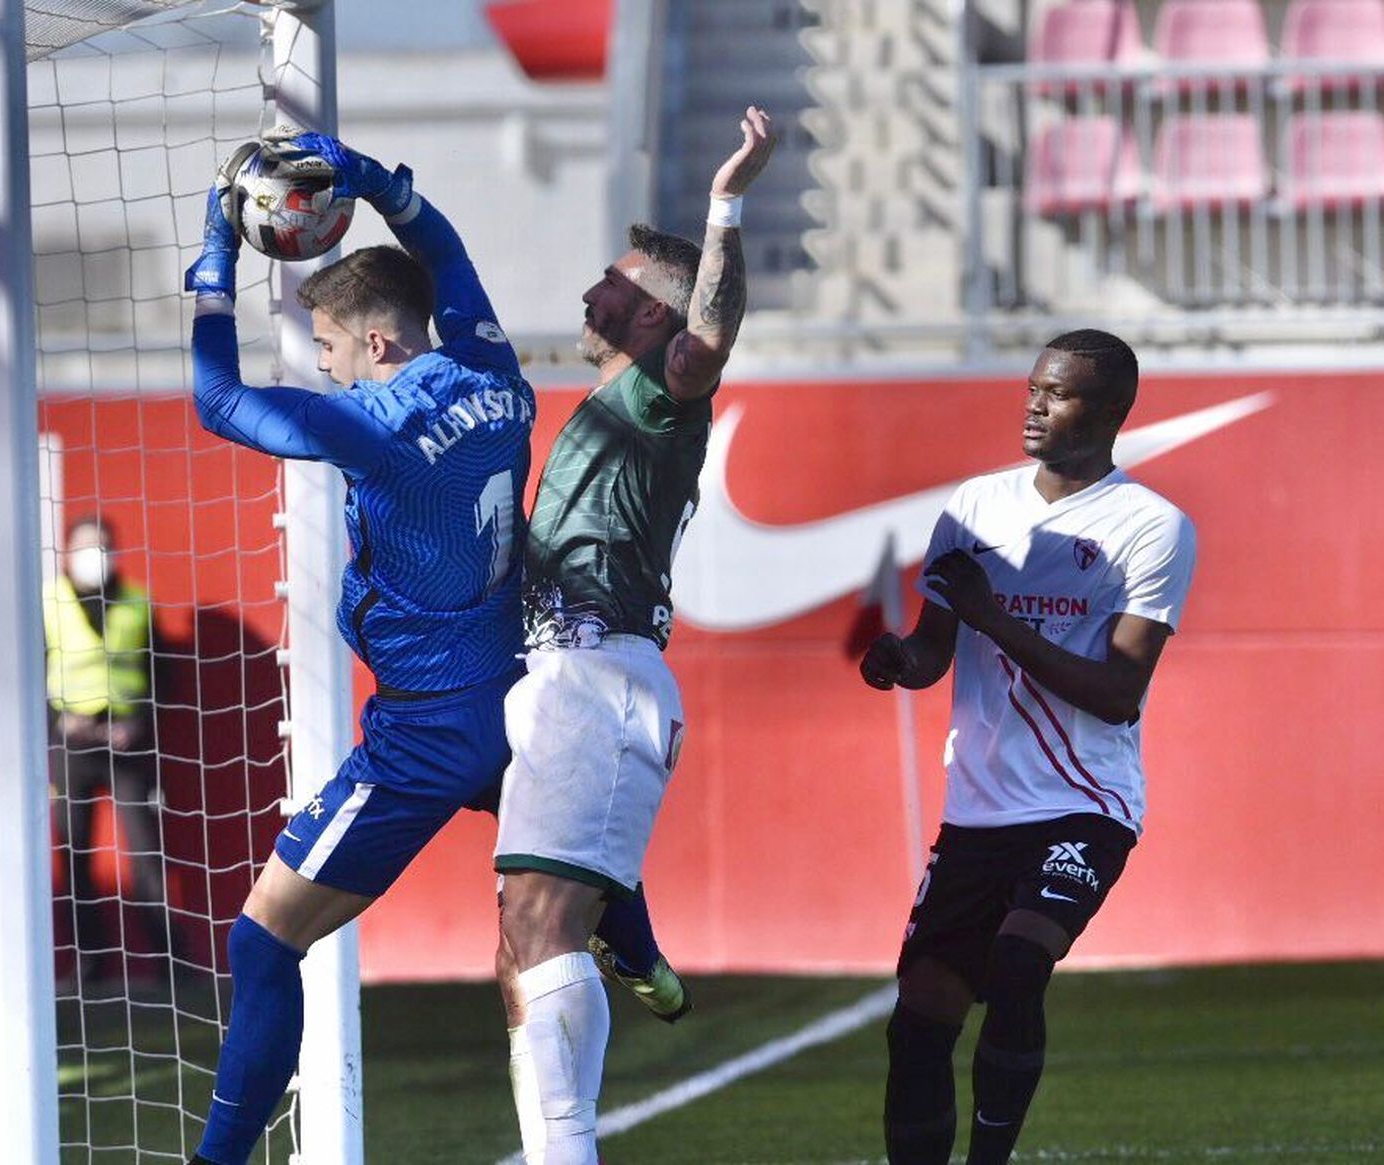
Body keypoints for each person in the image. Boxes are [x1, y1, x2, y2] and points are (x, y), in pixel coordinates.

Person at [182, 131, 681, 1165]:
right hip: (515, 686)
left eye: (328, 348)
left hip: (425, 725)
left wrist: (215, 260)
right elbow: (445, 257)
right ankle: (635, 939)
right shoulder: (497, 371)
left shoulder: (374, 428)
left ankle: (216, 1161)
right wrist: (376, 185)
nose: (324, 367)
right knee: (539, 821)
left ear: (377, 344)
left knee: (263, 938)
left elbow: (217, 402)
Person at [492, 105, 777, 1162]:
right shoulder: (605, 405)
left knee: (538, 930)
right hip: (562, 675)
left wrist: (724, 204)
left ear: (652, 312)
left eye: (609, 283)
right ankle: (628, 928)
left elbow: (711, 338)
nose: (587, 293)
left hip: (597, 676)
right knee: (520, 939)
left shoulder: (661, 395)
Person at [860, 329, 1197, 1164]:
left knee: (1017, 963)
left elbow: (1118, 694)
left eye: (1059, 393)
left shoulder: (1152, 527)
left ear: (1112, 410)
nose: (1035, 406)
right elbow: (935, 647)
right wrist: (900, 659)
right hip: (978, 810)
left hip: (1085, 802)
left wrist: (994, 616)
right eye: (1033, 389)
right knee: (919, 1021)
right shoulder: (975, 506)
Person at [45, 515, 176, 987]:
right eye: (85, 547)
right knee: (74, 854)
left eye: (102, 547)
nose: (95, 556)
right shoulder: (48, 602)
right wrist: (57, 720)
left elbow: (164, 674)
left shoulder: (137, 602)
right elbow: (29, 672)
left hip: (127, 745)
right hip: (71, 745)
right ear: (66, 551)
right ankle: (91, 963)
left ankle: (171, 962)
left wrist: (139, 722)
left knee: (147, 854)